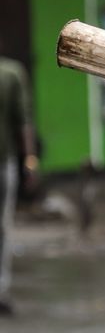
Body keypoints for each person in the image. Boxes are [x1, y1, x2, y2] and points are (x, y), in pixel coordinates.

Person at [0, 41, 37, 317]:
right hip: (4, 163)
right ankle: (1, 291)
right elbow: (24, 121)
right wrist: (30, 160)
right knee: (2, 228)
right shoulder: (11, 73)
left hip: (4, 163)